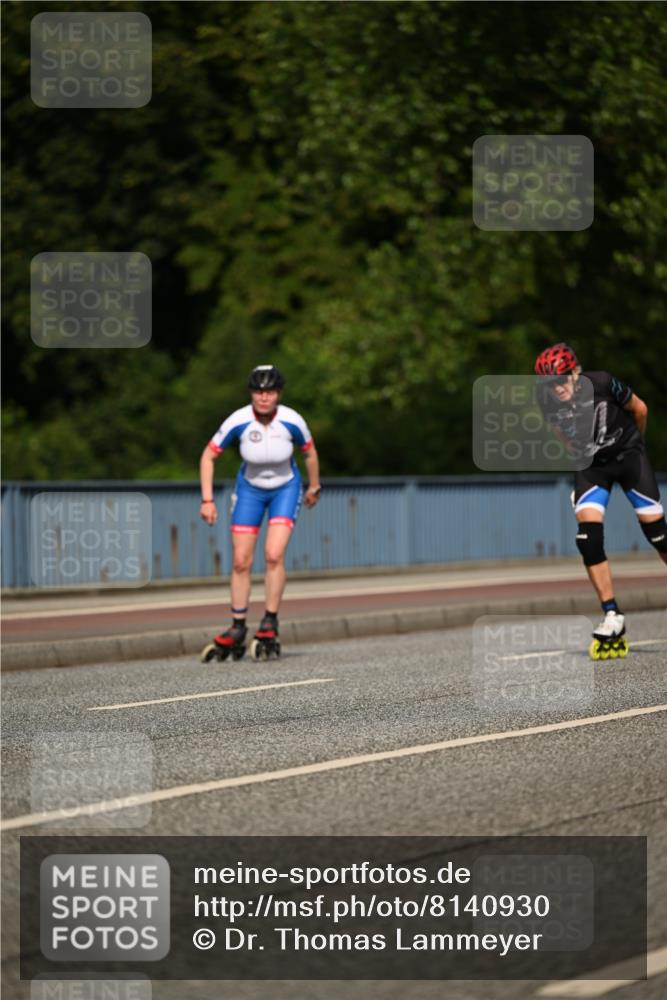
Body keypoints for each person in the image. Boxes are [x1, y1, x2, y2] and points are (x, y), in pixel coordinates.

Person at [534, 343, 666, 655]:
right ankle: (612, 614)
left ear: (575, 373)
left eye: (562, 379)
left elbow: (641, 409)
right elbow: (560, 433)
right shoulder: (546, 401)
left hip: (629, 457)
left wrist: (636, 445)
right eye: (550, 384)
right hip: (592, 465)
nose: (558, 388)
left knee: (658, 535)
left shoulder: (604, 383)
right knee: (588, 539)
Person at [199, 365, 321, 660]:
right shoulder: (238, 420)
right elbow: (208, 456)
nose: (264, 398)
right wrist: (207, 499)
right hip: (250, 490)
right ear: (251, 394)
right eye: (258, 392)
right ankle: (238, 625)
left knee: (273, 554)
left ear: (278, 394)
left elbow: (309, 453)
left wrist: (314, 486)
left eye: (270, 392)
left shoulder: (292, 420)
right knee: (241, 560)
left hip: (285, 488)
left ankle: (269, 621)